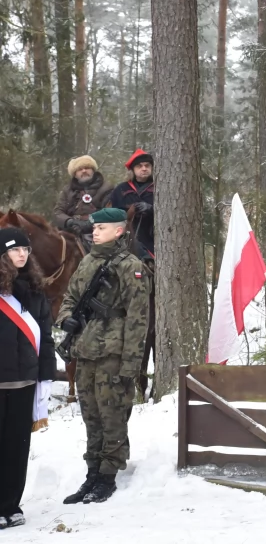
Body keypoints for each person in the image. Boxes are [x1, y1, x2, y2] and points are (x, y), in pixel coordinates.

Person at [57, 208, 151, 505]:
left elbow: (139, 318)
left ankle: (108, 475)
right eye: (94, 227)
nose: (94, 231)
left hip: (113, 351)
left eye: (101, 227)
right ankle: (92, 472)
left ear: (119, 231)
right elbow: (70, 297)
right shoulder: (87, 261)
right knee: (91, 416)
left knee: (112, 414)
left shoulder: (131, 266)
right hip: (85, 350)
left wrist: (131, 365)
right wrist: (66, 319)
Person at [0, 228, 54, 530]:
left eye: (25, 249)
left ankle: (10, 505)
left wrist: (45, 375)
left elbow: (45, 338)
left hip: (24, 383)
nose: (22, 254)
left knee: (17, 448)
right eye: (14, 249)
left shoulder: (34, 288)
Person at [52, 155, 114, 245]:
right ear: (75, 174)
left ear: (93, 170)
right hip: (70, 231)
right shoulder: (67, 190)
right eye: (80, 169)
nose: (84, 171)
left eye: (87, 168)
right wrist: (70, 222)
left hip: (98, 232)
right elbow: (58, 212)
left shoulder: (106, 188)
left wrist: (89, 224)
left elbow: (109, 212)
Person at [108, 149, 156, 261]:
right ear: (133, 170)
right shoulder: (121, 189)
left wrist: (151, 209)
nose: (144, 168)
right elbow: (111, 213)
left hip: (152, 238)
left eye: (147, 165)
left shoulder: (159, 187)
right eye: (139, 166)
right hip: (125, 237)